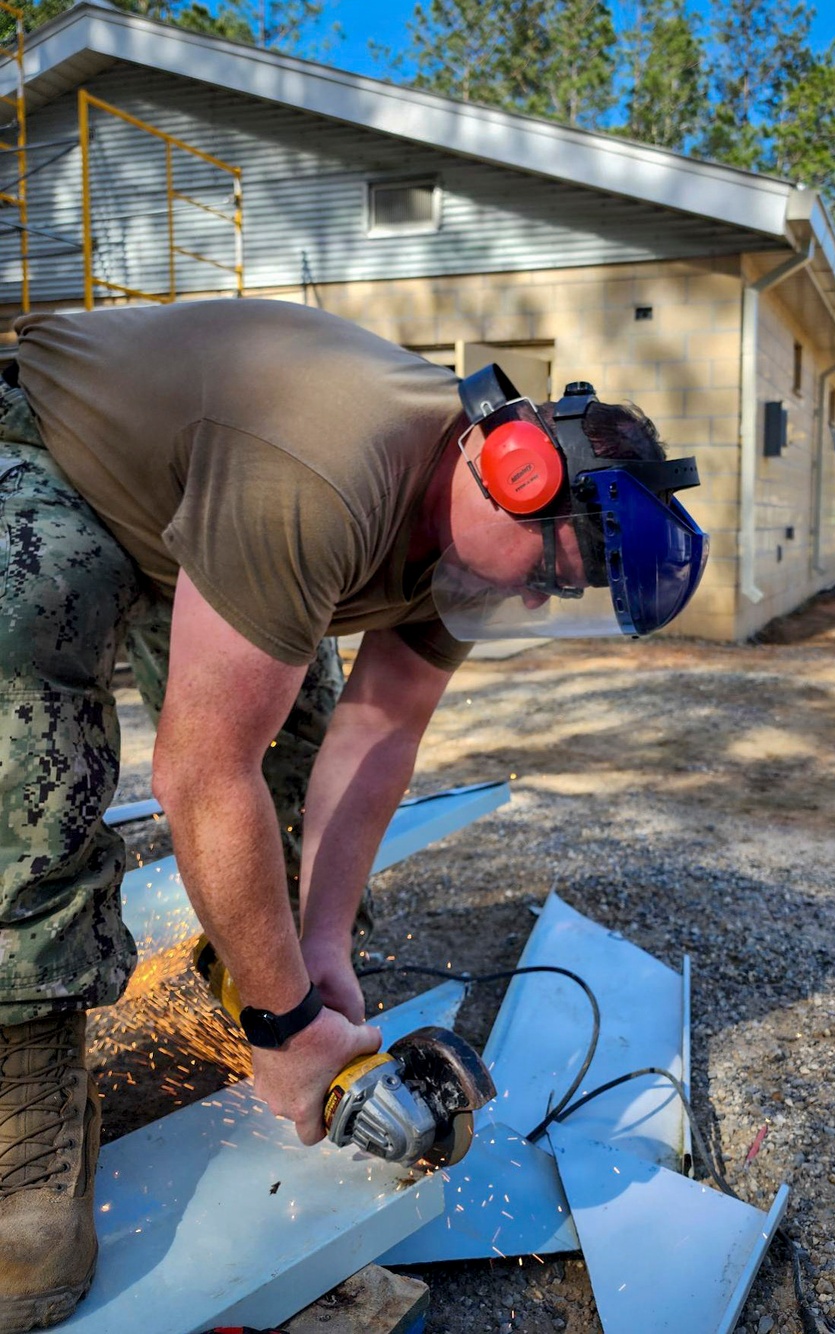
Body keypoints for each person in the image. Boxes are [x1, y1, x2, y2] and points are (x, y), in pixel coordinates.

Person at [0, 298, 707, 1332]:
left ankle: (245, 976)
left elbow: (380, 738)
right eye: (553, 569)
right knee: (24, 697)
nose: (544, 601)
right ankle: (23, 1088)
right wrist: (286, 1027)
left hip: (209, 500)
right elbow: (199, 770)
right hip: (60, 451)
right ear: (512, 469)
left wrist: (318, 948)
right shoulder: (322, 476)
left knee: (294, 748)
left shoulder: (473, 542)